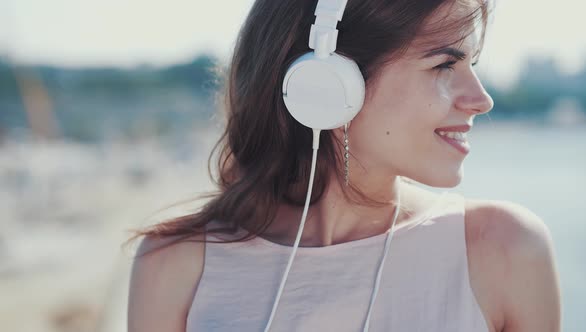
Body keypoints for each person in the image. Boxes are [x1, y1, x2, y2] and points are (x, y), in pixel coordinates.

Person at [127, 0, 561, 331]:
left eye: (473, 65)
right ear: (328, 83)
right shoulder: (175, 266)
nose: (482, 100)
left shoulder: (506, 251)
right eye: (444, 65)